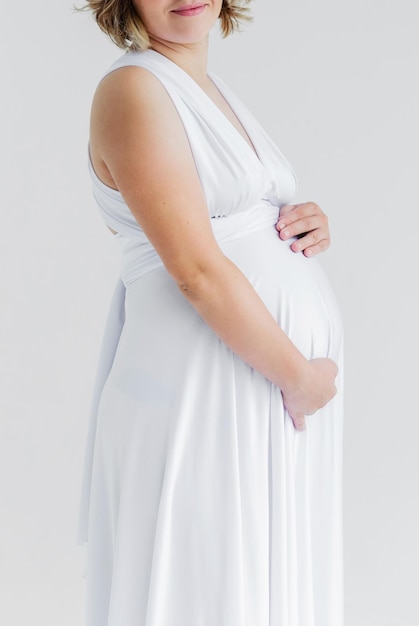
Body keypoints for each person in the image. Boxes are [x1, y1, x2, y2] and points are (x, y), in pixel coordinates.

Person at [76, 1, 344, 625]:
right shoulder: (133, 89)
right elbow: (195, 271)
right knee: (207, 588)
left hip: (253, 382)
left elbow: (227, 224)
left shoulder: (206, 88)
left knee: (250, 587)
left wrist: (302, 228)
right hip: (202, 391)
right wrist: (298, 379)